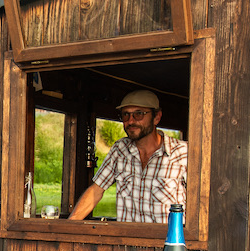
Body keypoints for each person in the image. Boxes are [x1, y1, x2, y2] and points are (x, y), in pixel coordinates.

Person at [68, 89, 188, 223]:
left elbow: (202, 202)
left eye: (139, 114)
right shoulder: (120, 150)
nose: (131, 121)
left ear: (157, 117)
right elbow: (96, 191)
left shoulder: (183, 152)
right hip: (127, 242)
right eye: (125, 115)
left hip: (168, 241)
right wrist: (68, 227)